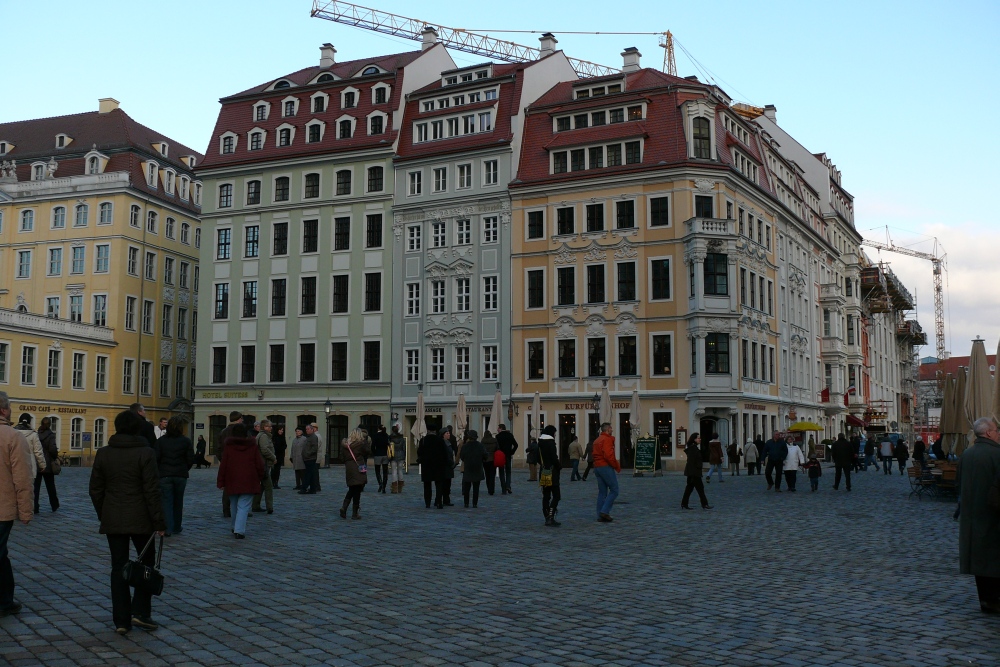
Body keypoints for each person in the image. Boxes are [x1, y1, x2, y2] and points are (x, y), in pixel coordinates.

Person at [89, 410, 166, 633]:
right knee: (145, 566)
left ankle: (121, 621)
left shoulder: (103, 453)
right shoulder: (146, 453)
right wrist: (159, 522)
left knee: (118, 567)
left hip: (114, 517)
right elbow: (152, 490)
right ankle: (140, 612)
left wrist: (104, 513)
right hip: (142, 519)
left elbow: (95, 489)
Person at [958, 418, 1000, 613]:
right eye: (997, 430)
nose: (999, 433)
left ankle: (985, 599)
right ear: (989, 433)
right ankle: (993, 599)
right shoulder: (996, 454)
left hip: (971, 514)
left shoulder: (967, 454)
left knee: (979, 559)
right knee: (993, 557)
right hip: (992, 514)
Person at [0, 392, 34, 618]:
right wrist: (26, 511)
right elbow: (22, 478)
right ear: (4, 410)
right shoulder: (13, 436)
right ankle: (4, 601)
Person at [216, 424, 264, 539]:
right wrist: (261, 476)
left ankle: (234, 526)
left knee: (233, 504)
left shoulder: (229, 446)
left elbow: (224, 464)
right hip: (249, 478)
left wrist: (221, 481)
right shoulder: (252, 446)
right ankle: (239, 530)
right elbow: (259, 463)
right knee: (244, 505)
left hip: (232, 478)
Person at [153, 416, 194, 536]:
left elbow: (156, 458)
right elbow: (190, 459)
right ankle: (176, 526)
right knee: (178, 501)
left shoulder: (161, 441)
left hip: (165, 474)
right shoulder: (186, 441)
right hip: (180, 474)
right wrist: (184, 468)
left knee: (166, 501)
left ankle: (167, 528)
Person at [340, 429, 372, 519]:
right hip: (359, 467)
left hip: (349, 467)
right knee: (357, 489)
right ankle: (354, 513)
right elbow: (368, 452)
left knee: (352, 488)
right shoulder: (360, 444)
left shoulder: (345, 445)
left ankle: (344, 507)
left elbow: (341, 457)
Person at [216, 411, 242, 517]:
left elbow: (218, 449)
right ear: (238, 419)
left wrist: (223, 460)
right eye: (241, 418)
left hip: (227, 462)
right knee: (241, 486)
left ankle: (226, 509)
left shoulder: (223, 431)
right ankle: (240, 509)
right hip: (239, 463)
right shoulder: (241, 431)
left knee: (227, 487)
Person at [592, 422, 620, 522]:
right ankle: (604, 511)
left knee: (602, 492)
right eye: (611, 429)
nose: (612, 430)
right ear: (607, 429)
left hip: (597, 467)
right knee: (614, 490)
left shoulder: (597, 440)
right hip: (605, 466)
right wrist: (616, 466)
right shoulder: (607, 439)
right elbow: (609, 456)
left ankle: (600, 514)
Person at [13, 414, 46, 497]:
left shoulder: (12, 433)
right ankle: (32, 508)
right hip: (30, 467)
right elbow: (38, 452)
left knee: (15, 492)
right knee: (29, 493)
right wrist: (42, 465)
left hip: (15, 465)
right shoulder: (33, 434)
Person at [535, 425, 562, 526]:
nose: (555, 435)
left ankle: (546, 516)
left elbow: (537, 457)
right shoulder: (551, 444)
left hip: (543, 471)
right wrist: (559, 466)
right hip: (552, 472)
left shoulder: (540, 443)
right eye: (555, 433)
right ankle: (551, 516)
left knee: (546, 496)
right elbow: (554, 458)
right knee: (556, 496)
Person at [417, 427, 448, 509]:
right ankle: (438, 502)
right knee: (439, 485)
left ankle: (427, 503)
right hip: (438, 465)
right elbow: (445, 453)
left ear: (427, 431)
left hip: (426, 465)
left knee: (427, 485)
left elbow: (419, 452)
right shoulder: (440, 440)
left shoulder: (423, 440)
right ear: (435, 431)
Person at [35, 417, 60, 513]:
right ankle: (54, 505)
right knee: (50, 486)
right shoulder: (50, 435)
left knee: (36, 487)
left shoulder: (36, 434)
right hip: (48, 464)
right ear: (49, 424)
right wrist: (54, 457)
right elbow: (53, 449)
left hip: (38, 463)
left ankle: (35, 507)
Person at [681, 433, 711, 510]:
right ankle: (704, 504)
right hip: (694, 473)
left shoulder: (694, 448)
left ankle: (684, 503)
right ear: (694, 439)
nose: (700, 439)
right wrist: (693, 472)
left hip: (693, 472)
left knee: (689, 488)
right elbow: (691, 462)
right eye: (698, 438)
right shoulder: (692, 449)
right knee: (700, 488)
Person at [252, 420, 276, 514]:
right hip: (264, 464)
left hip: (262, 464)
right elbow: (264, 450)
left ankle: (256, 505)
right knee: (268, 486)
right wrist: (273, 457)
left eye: (271, 426)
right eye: (268, 426)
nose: (270, 428)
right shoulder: (264, 436)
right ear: (264, 427)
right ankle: (269, 507)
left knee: (261, 486)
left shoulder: (262, 435)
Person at [459, 430, 486, 508]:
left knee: (467, 487)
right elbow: (485, 455)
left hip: (468, 468)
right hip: (477, 468)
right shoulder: (480, 446)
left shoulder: (465, 446)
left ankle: (466, 503)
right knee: (476, 488)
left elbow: (462, 456)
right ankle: (475, 503)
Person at [495, 424, 518, 494]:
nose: (497, 430)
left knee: (501, 473)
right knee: (508, 472)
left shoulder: (498, 436)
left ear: (501, 428)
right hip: (508, 455)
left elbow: (496, 447)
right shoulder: (510, 435)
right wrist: (512, 452)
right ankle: (508, 485)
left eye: (498, 428)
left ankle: (503, 489)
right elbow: (516, 445)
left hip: (501, 456)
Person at [298, 424, 319, 494]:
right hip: (307, 458)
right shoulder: (308, 437)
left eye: (308, 429)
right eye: (306, 429)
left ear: (312, 429)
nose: (306, 430)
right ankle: (313, 489)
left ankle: (304, 488)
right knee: (311, 474)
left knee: (308, 474)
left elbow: (314, 448)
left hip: (310, 458)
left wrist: (307, 454)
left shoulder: (313, 437)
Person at [371, 425, 390, 494]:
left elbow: (373, 446)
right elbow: (388, 444)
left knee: (377, 471)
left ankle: (380, 483)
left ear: (378, 429)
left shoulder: (376, 435)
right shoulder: (386, 435)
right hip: (385, 454)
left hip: (378, 455)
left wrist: (374, 453)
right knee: (385, 472)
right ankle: (384, 487)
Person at [441, 427, 456, 506]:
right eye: (447, 433)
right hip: (445, 467)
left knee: (447, 484)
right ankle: (444, 499)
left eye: (449, 433)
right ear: (443, 435)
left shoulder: (448, 442)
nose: (449, 434)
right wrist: (452, 463)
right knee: (444, 484)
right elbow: (447, 456)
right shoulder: (443, 443)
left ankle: (446, 499)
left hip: (448, 467)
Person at [388, 425, 406, 494]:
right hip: (401, 455)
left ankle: (394, 488)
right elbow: (404, 448)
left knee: (394, 471)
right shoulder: (402, 438)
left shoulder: (390, 438)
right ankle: (400, 487)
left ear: (392, 430)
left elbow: (389, 448)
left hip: (393, 455)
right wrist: (404, 456)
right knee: (400, 470)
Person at [481, 429, 498, 495]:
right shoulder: (494, 440)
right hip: (493, 459)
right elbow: (497, 448)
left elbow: (481, 450)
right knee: (492, 475)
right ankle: (492, 489)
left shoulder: (483, 441)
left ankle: (489, 488)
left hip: (485, 460)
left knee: (487, 475)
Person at [311, 422, 324, 492]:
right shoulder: (316, 436)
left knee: (315, 472)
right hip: (316, 457)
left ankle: (316, 486)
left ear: (315, 428)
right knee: (314, 472)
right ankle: (316, 486)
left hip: (315, 457)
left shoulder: (317, 436)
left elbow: (315, 447)